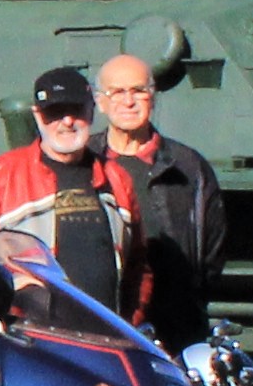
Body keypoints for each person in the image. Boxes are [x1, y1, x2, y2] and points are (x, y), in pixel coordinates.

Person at [0, 66, 147, 331]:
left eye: (76, 110)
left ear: (91, 111)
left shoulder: (117, 180)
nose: (67, 121)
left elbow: (138, 270)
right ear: (37, 116)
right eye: (55, 113)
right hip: (33, 344)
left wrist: (130, 326)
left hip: (106, 340)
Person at [94, 54, 225, 349]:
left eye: (138, 90)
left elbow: (212, 253)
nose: (129, 102)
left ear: (153, 96)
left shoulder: (189, 167)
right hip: (101, 325)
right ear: (101, 102)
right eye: (117, 92)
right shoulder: (84, 164)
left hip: (176, 328)